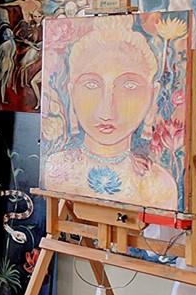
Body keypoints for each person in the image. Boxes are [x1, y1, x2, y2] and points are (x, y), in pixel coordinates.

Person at [42, 17, 179, 208]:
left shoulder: (158, 185)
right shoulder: (55, 170)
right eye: (91, 84)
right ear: (71, 92)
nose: (107, 110)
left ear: (152, 94)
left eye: (129, 86)